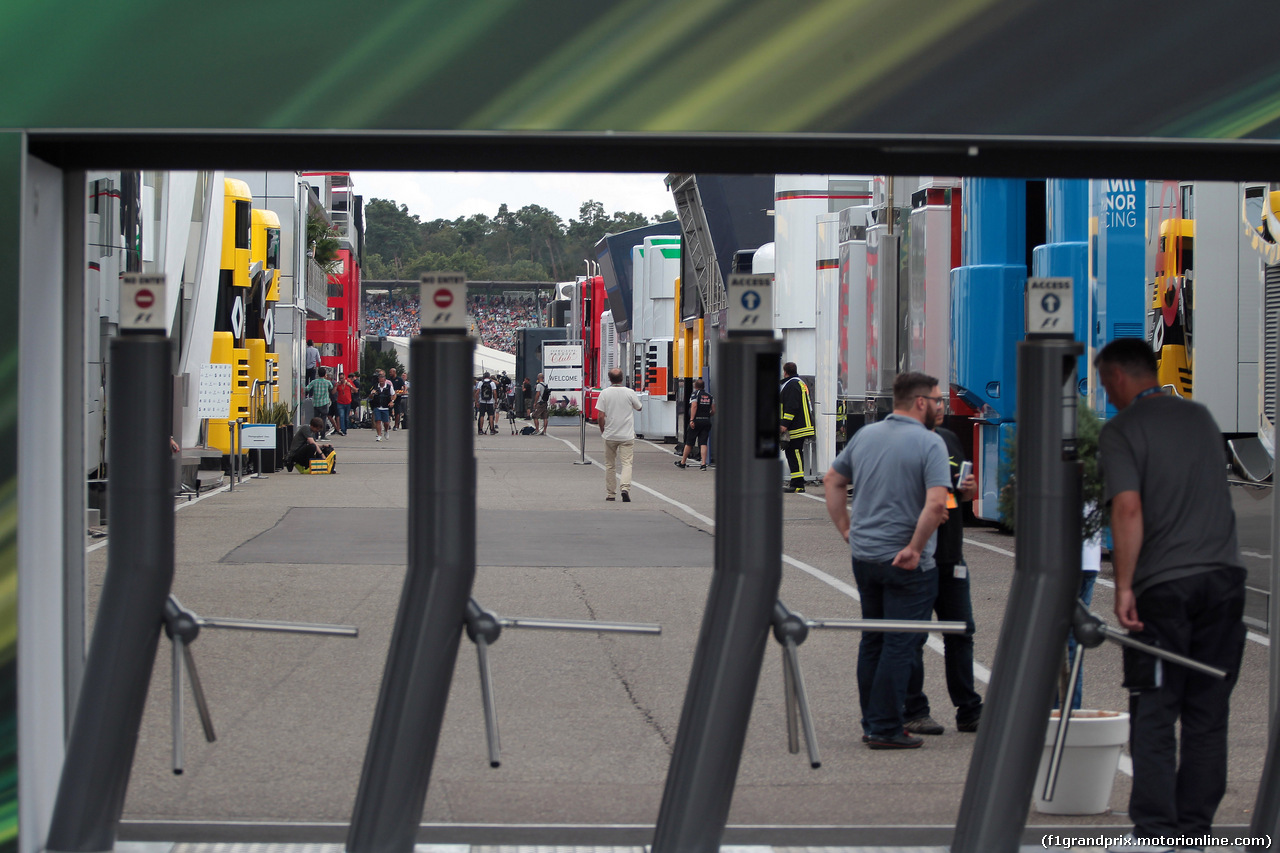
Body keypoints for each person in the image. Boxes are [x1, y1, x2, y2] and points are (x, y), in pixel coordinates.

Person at [1096, 338, 1246, 852]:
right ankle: (1196, 829)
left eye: (1103, 383)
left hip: (1165, 587)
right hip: (1224, 582)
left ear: (1117, 375)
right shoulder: (1201, 418)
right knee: (1208, 711)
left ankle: (1157, 829)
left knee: (1156, 709)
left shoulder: (1122, 431)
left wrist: (1124, 586)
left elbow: (1129, 510)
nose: (1105, 394)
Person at [822, 372, 950, 750]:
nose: (942, 406)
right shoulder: (930, 444)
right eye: (938, 400)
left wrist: (847, 529)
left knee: (873, 640)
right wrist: (915, 546)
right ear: (921, 402)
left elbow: (832, 480)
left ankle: (873, 721)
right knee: (901, 643)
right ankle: (884, 726)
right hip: (908, 562)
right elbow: (937, 503)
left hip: (866, 556)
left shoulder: (866, 435)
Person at [903, 415, 982, 736]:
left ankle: (969, 710)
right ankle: (914, 710)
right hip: (918, 555)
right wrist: (938, 504)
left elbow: (956, 494)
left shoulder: (949, 437)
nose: (942, 406)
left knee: (961, 633)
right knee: (913, 637)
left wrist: (967, 491)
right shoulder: (906, 443)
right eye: (936, 400)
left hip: (952, 556)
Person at [595, 367, 642, 502]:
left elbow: (600, 415)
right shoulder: (630, 392)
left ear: (610, 379)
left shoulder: (604, 393)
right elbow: (639, 407)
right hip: (627, 435)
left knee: (610, 464)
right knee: (627, 463)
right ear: (622, 379)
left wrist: (602, 429)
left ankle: (611, 493)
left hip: (610, 434)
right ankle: (625, 488)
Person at [780, 362, 814, 493]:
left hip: (797, 427)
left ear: (785, 372)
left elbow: (791, 406)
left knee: (795, 453)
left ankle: (798, 484)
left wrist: (784, 424)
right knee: (793, 453)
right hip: (801, 425)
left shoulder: (792, 384)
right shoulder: (799, 383)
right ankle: (795, 482)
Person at [676, 379, 714, 470]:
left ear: (695, 386)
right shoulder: (710, 396)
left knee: (689, 442)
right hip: (706, 421)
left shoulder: (695, 394)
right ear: (704, 386)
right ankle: (703, 464)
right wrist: (708, 415)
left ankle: (683, 462)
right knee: (703, 443)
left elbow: (694, 406)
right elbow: (714, 410)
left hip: (696, 421)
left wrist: (692, 420)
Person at [305, 367, 335, 438]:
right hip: (324, 403)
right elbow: (331, 387)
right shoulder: (327, 382)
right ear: (325, 374)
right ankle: (323, 435)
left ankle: (315, 435)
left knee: (316, 420)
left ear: (318, 374)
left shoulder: (314, 382)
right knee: (323, 419)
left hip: (316, 403)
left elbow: (307, 388)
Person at [370, 370, 393, 441]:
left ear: (385, 380)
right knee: (378, 421)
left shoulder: (389, 387)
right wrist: (372, 394)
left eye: (382, 380)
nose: (381, 382)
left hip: (385, 407)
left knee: (386, 422)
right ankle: (379, 435)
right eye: (380, 380)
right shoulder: (375, 387)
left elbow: (393, 395)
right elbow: (370, 397)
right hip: (377, 406)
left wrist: (392, 401)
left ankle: (386, 431)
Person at [334, 371, 356, 436]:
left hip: (348, 402)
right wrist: (336, 386)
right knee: (341, 416)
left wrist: (350, 386)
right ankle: (343, 430)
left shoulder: (349, 383)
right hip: (340, 403)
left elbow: (356, 390)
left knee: (346, 418)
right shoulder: (338, 384)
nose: (341, 380)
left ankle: (345, 429)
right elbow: (333, 392)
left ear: (345, 377)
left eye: (342, 378)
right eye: (340, 378)